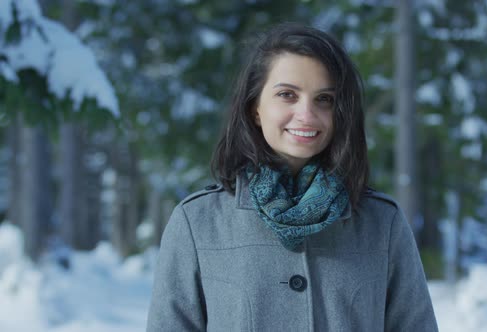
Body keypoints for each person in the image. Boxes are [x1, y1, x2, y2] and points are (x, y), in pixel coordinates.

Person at [147, 22, 438, 331]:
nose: (307, 115)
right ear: (255, 108)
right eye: (287, 95)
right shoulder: (198, 222)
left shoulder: (382, 222)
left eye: (324, 99)